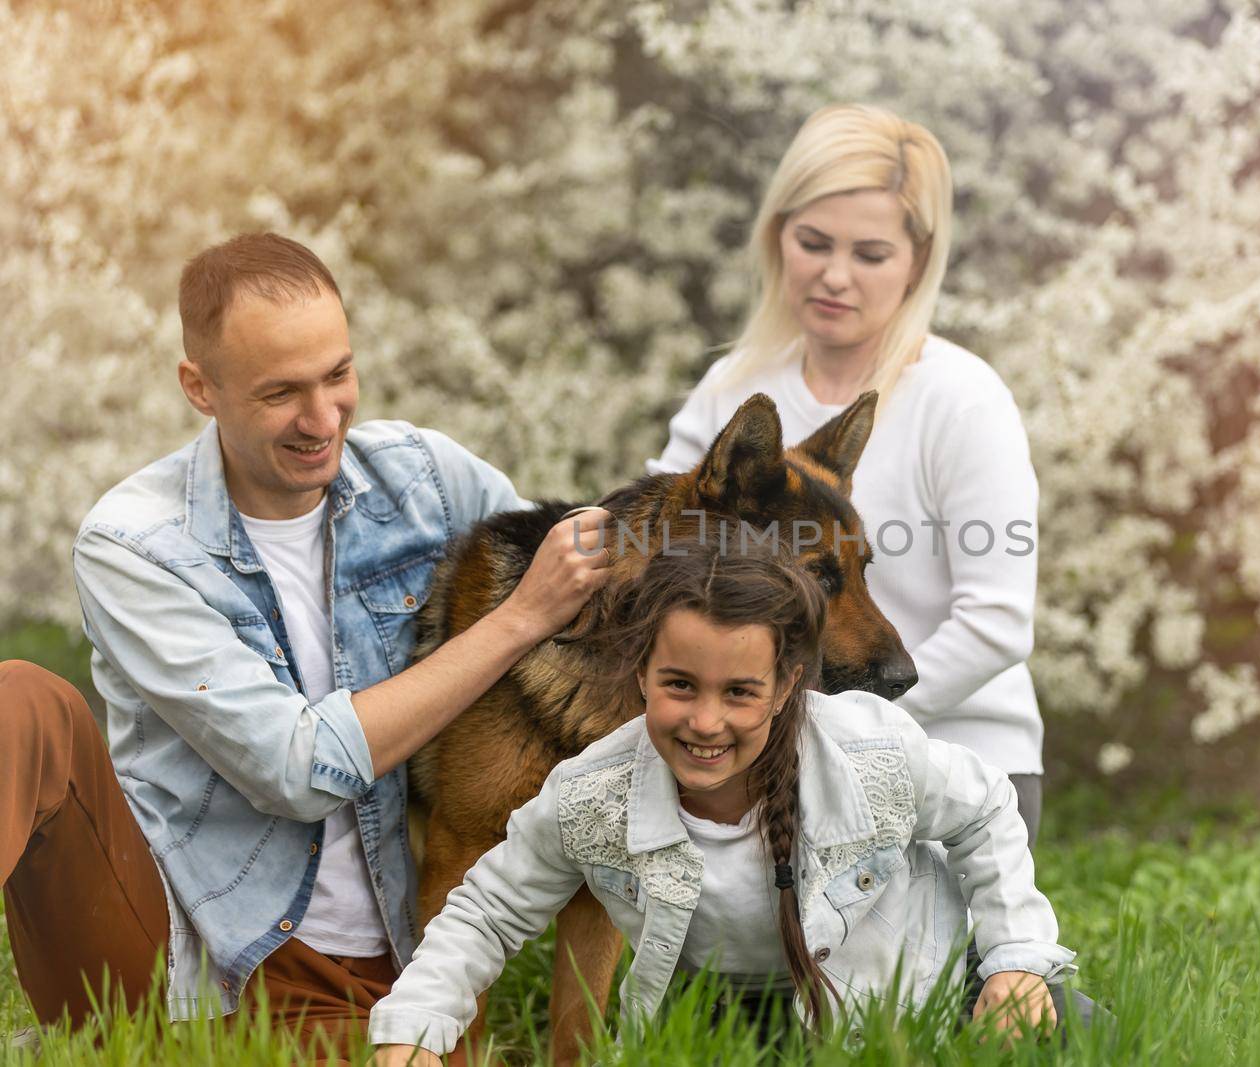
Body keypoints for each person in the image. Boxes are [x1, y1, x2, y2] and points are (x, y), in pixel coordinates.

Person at [0, 232, 608, 1060]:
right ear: (199, 387)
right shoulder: (135, 542)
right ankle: (123, 1034)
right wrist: (518, 619)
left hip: (382, 976)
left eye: (338, 374)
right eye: (281, 392)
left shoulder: (427, 480)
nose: (323, 419)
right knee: (22, 700)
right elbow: (296, 769)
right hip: (177, 953)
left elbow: (579, 574)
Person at [368, 542, 1085, 1065]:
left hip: (922, 984)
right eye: (680, 684)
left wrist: (1014, 960)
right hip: (735, 1020)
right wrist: (415, 1028)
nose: (705, 722)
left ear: (788, 686)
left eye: (739, 691)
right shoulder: (594, 795)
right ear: (640, 672)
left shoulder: (870, 754)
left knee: (1094, 1044)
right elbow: (485, 910)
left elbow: (987, 807)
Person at [648, 103, 1048, 843]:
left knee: (875, 964)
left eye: (870, 254)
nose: (835, 275)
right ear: (777, 237)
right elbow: (651, 547)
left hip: (954, 759)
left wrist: (830, 731)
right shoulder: (734, 386)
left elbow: (996, 623)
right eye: (813, 242)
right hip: (756, 759)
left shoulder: (962, 399)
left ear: (917, 262)